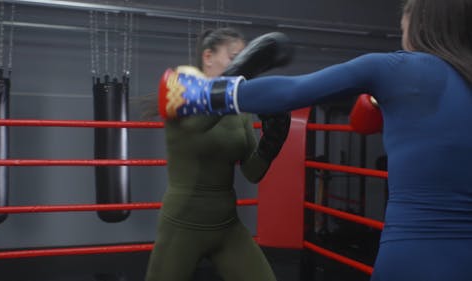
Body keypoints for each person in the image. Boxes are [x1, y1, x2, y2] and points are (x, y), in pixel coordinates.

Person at [157, 0, 472, 280]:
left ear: (418, 27)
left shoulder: (396, 67)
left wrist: (195, 95)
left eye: (402, 29)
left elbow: (293, 91)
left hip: (412, 255)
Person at [145, 27, 292, 281]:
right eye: (235, 56)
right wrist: (243, 70)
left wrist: (273, 140)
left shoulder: (239, 109)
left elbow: (252, 171)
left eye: (244, 57)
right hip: (183, 224)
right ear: (208, 56)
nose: (242, 62)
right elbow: (197, 124)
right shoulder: (182, 82)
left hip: (226, 226)